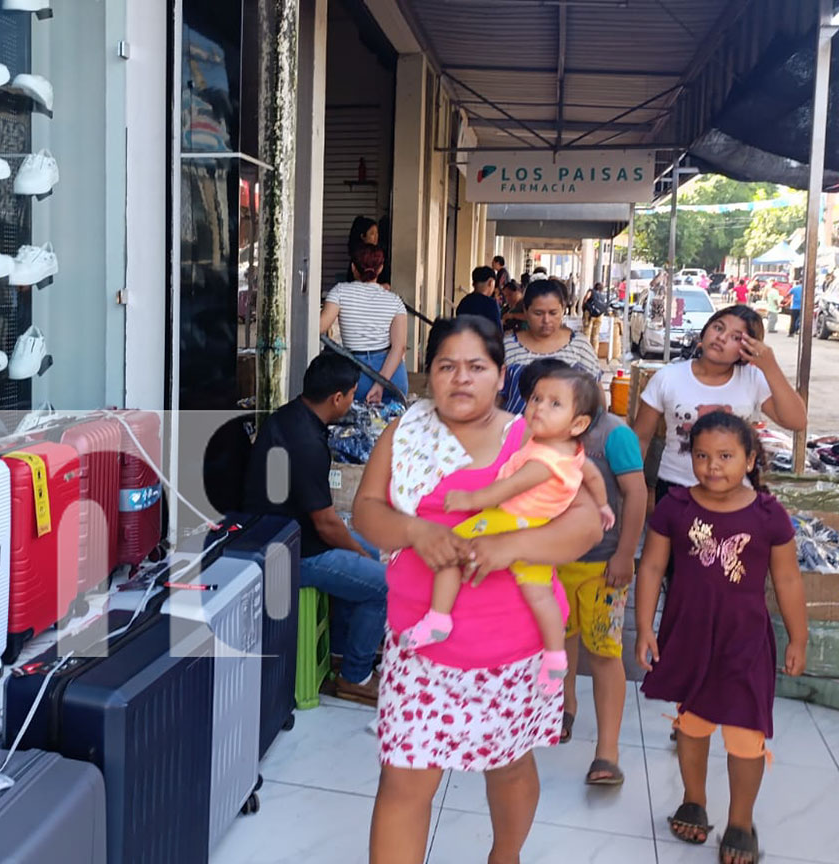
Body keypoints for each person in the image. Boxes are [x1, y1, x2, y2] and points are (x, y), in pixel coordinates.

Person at [355, 316, 603, 864]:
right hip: (422, 648)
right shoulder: (406, 433)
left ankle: (504, 857)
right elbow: (367, 512)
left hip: (511, 650)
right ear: (428, 375)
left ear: (499, 376)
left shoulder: (533, 436)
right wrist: (415, 531)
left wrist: (507, 549)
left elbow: (586, 524)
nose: (460, 379)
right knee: (405, 781)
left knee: (509, 764)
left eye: (476, 367)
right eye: (446, 366)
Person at [635, 412, 808, 864]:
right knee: (691, 724)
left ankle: (740, 821)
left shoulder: (769, 514)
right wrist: (644, 627)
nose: (714, 466)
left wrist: (798, 638)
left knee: (745, 734)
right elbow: (651, 567)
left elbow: (788, 580)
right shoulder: (675, 507)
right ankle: (694, 799)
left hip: (744, 642)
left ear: (750, 458)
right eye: (703, 456)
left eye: (727, 456)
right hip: (688, 637)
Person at [398, 361, 615, 699]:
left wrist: (468, 499)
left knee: (450, 549)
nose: (539, 408)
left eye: (554, 404)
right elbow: (593, 476)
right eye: (536, 399)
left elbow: (506, 490)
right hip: (539, 529)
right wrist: (602, 505)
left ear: (579, 423)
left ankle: (438, 618)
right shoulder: (572, 452)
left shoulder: (541, 462)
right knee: (539, 595)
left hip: (509, 519)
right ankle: (556, 657)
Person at [243, 351, 387, 705]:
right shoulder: (307, 442)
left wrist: (363, 551)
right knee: (385, 583)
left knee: (374, 551)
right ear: (337, 397)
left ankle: (341, 652)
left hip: (285, 532)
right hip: (291, 552)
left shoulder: (291, 416)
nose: (352, 401)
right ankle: (356, 676)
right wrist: (358, 554)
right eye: (352, 394)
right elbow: (325, 523)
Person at [546, 360, 649, 786]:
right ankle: (563, 709)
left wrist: (625, 555)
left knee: (605, 652)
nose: (542, 408)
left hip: (601, 568)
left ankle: (607, 750)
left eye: (554, 401)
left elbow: (636, 494)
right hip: (553, 561)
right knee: (561, 639)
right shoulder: (546, 433)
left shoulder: (614, 435)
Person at [632, 305, 806, 503]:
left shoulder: (753, 379)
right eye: (718, 328)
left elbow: (797, 421)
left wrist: (770, 366)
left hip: (734, 493)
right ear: (705, 330)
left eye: (735, 337)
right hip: (675, 489)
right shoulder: (668, 378)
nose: (721, 338)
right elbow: (640, 439)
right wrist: (634, 489)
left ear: (747, 349)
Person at [321, 244, 409, 405]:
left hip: (355, 373)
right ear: (380, 268)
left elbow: (319, 327)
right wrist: (381, 384)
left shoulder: (339, 292)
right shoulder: (395, 301)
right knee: (392, 426)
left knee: (351, 429)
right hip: (392, 375)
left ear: (353, 267)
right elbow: (399, 347)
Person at [501, 278, 602, 413]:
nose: (546, 320)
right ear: (525, 311)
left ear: (563, 310)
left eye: (553, 313)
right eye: (538, 313)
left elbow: (598, 396)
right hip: (517, 433)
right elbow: (497, 398)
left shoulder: (579, 346)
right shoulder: (508, 347)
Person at [347, 216, 381, 282]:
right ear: (363, 236)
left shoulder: (379, 254)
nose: (376, 236)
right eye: (372, 233)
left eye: (377, 233)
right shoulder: (357, 257)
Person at [583, 281, 608, 348]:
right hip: (599, 315)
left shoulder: (591, 291)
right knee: (596, 335)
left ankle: (586, 351)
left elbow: (586, 298)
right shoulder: (603, 296)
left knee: (587, 334)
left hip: (590, 314)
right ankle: (594, 353)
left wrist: (584, 306)